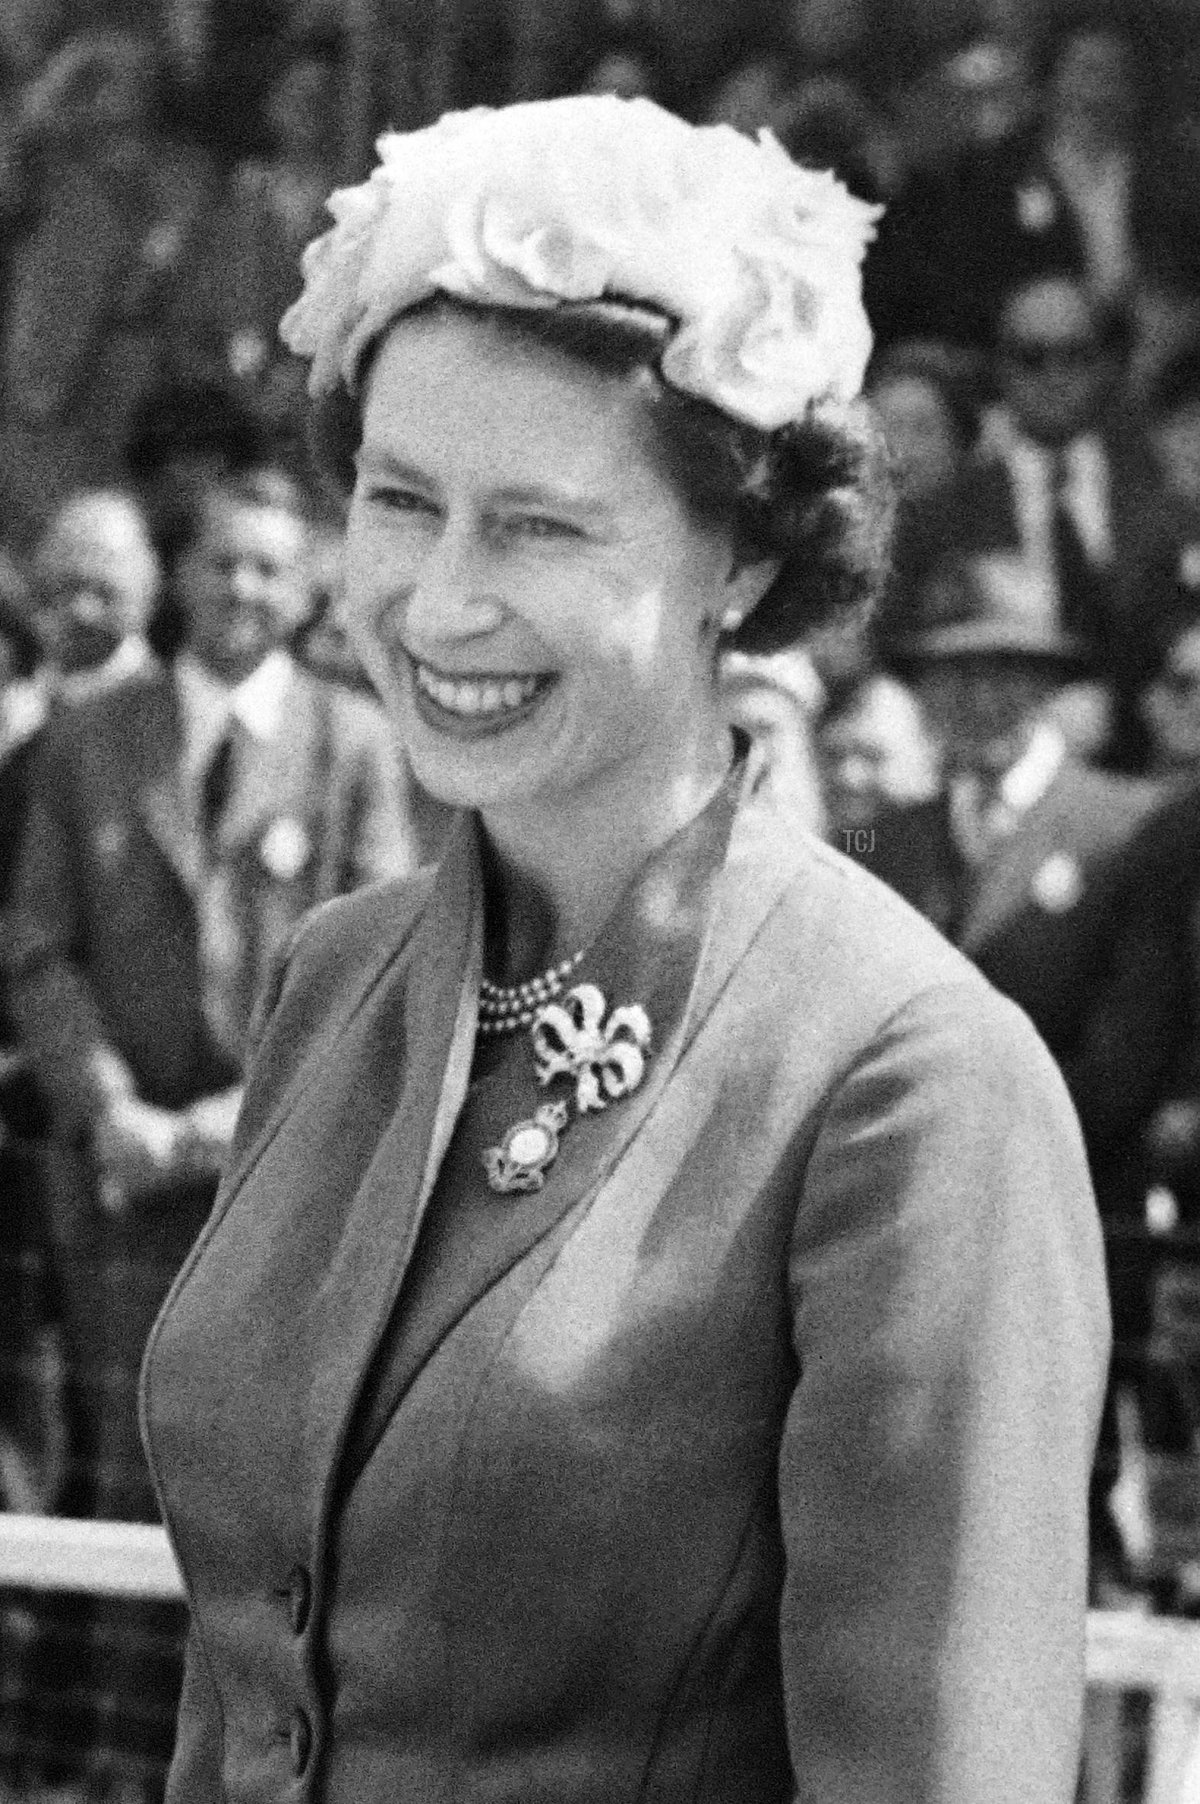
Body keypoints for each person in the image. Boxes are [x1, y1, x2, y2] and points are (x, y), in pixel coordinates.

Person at [140, 97, 1108, 1804]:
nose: (437, 603)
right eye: (399, 500)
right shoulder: (336, 977)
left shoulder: (909, 1082)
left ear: (739, 555)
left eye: (539, 525)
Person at [6, 465, 425, 1801]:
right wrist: (114, 1110)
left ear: (307, 592)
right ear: (180, 576)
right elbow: (34, 947)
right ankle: (130, 1769)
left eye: (268, 569)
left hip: (290, 1189)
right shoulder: (92, 740)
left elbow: (380, 973)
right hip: (119, 1195)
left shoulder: (356, 743)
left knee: (269, 1498)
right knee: (127, 1483)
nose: (241, 590)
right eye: (220, 563)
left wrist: (224, 1129)